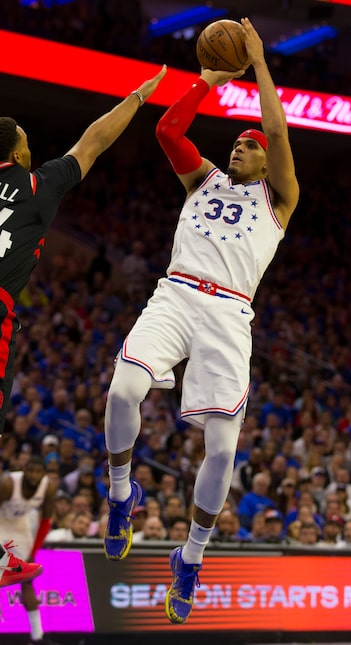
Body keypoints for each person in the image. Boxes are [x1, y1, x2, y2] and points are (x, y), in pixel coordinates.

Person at [102, 17, 299, 626]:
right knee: (122, 391)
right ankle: (119, 496)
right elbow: (167, 127)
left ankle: (190, 558)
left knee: (221, 451)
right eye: (236, 143)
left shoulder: (279, 197)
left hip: (230, 315)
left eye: (250, 146)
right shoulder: (202, 178)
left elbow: (273, 126)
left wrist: (261, 65)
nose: (240, 146)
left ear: (267, 162)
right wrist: (208, 79)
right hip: (176, 295)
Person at [0, 65, 166, 640]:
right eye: (26, 141)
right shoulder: (33, 183)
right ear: (19, 152)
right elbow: (93, 141)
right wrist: (139, 96)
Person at [0, 456, 57, 644]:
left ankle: (37, 637)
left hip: (20, 526)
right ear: (24, 471)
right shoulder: (8, 484)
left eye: (37, 472)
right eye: (30, 471)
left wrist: (34, 550)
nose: (33, 475)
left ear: (43, 474)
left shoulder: (48, 487)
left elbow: (45, 522)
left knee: (27, 580)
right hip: (1, 522)